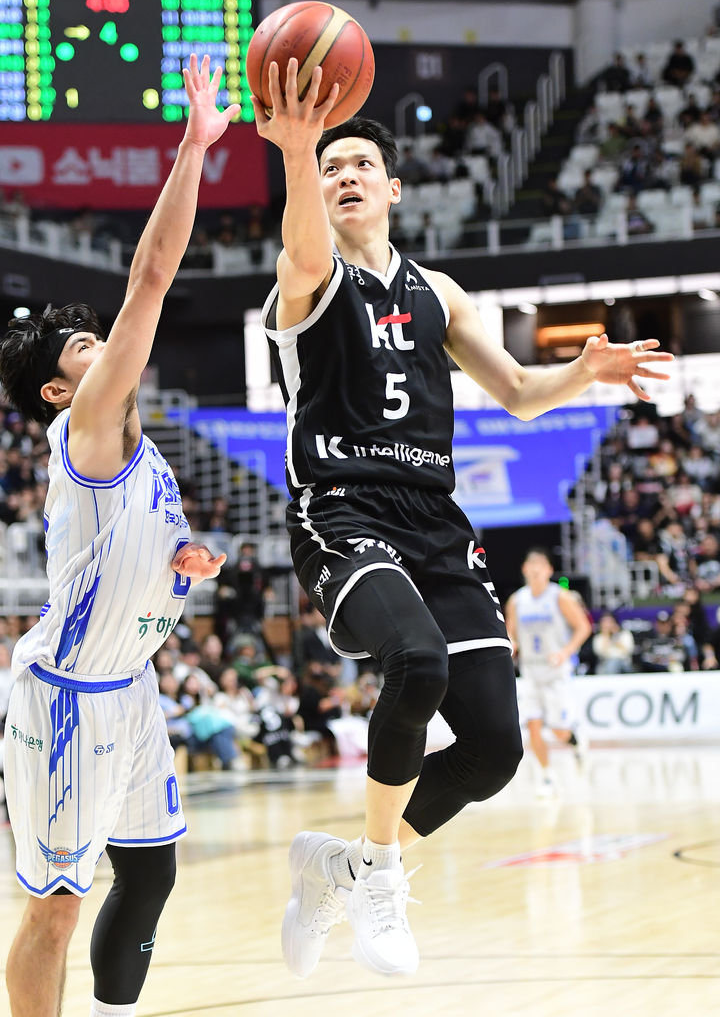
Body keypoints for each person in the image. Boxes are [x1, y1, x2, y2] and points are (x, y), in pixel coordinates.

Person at [252, 57, 673, 979]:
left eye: (360, 163)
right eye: (332, 168)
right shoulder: (307, 273)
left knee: (491, 749)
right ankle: (378, 879)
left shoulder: (438, 293)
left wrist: (583, 374)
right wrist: (295, 151)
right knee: (417, 661)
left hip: (435, 522)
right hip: (345, 509)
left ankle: (346, 864)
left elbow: (520, 391)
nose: (345, 176)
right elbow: (303, 239)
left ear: (395, 187)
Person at [0, 54, 236, 1017]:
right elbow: (149, 277)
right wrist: (192, 149)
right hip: (69, 696)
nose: (106, 343)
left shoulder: (142, 447)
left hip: (130, 689)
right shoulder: (86, 426)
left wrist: (187, 564)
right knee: (54, 910)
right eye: (84, 347)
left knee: (149, 874)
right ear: (61, 390)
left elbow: (159, 552)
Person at [504, 549, 592, 797]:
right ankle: (547, 776)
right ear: (524, 570)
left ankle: (575, 739)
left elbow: (583, 627)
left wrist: (565, 652)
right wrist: (513, 644)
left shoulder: (560, 596)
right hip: (531, 670)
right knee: (532, 726)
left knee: (558, 730)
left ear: (549, 571)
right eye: (530, 567)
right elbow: (512, 632)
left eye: (539, 567)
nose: (534, 571)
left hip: (556, 671)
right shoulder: (516, 600)